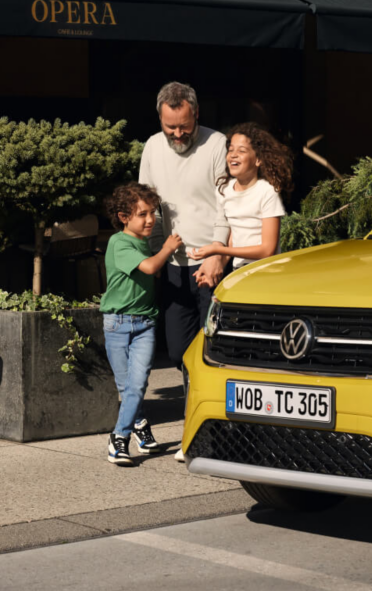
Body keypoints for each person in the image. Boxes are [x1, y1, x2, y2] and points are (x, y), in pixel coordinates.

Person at [139, 80, 227, 357]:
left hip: (211, 261)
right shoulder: (153, 146)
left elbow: (228, 204)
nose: (177, 133)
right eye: (170, 127)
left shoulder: (217, 143)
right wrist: (156, 254)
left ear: (196, 113)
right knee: (178, 351)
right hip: (173, 264)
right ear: (160, 119)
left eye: (184, 126)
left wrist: (219, 253)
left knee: (212, 350)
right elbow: (147, 206)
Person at [100, 182, 183, 466]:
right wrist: (168, 248)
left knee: (136, 385)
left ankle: (121, 436)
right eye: (143, 214)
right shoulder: (119, 242)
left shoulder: (143, 242)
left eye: (153, 213)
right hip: (118, 325)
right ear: (124, 217)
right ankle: (134, 430)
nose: (150, 220)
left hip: (145, 324)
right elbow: (148, 267)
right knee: (129, 388)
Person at [188, 123, 292, 269]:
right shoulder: (224, 190)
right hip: (239, 271)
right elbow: (233, 240)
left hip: (266, 273)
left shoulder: (267, 193)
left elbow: (268, 250)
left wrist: (217, 249)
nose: (233, 155)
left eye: (242, 151)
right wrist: (216, 265)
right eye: (230, 150)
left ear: (258, 159)